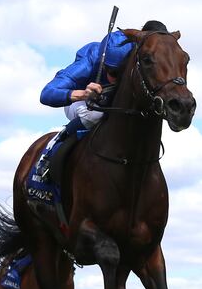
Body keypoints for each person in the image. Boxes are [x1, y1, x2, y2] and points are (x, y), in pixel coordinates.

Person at [36, 20, 166, 177]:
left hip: (117, 101)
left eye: (122, 73)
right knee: (93, 115)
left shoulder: (139, 51)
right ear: (104, 64)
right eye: (113, 73)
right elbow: (47, 94)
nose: (117, 80)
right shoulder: (90, 58)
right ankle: (52, 151)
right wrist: (83, 94)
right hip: (85, 102)